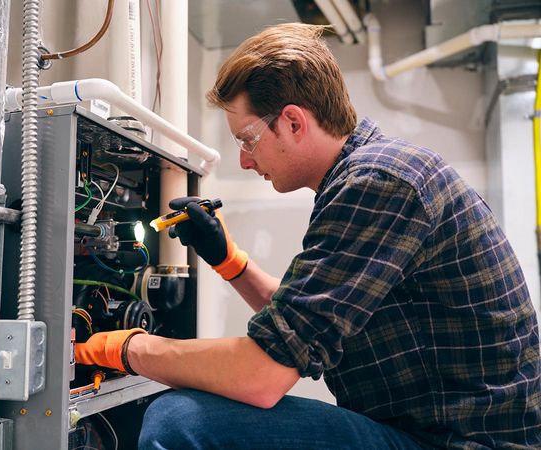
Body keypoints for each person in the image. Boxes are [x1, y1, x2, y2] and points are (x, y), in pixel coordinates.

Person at [75, 23, 541, 449]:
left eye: (247, 139)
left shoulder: (377, 184)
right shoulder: (376, 173)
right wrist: (229, 261)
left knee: (179, 421)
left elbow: (261, 375)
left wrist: (124, 347)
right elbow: (307, 320)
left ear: (294, 122)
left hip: (453, 443)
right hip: (431, 433)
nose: (244, 160)